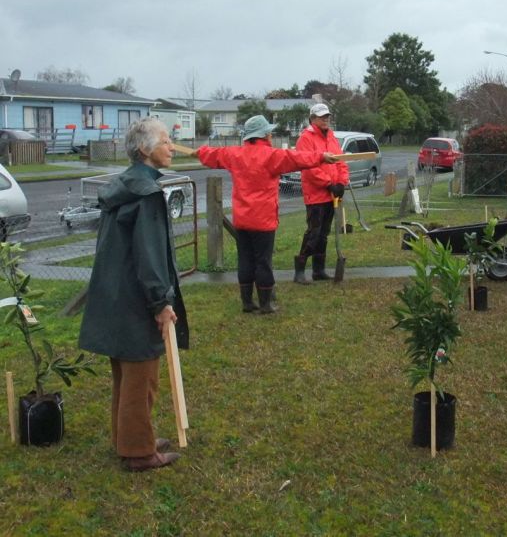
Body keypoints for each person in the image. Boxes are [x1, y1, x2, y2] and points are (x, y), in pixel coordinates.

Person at [79, 118, 189, 472]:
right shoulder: (146, 194)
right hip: (135, 297)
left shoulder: (125, 185)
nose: (171, 147)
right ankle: (139, 451)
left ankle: (128, 437)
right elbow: (149, 254)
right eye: (165, 141)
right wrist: (160, 302)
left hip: (116, 294)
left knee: (127, 375)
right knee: (141, 376)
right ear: (144, 149)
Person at [193, 115, 338, 312]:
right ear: (263, 135)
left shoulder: (234, 154)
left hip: (242, 219)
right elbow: (297, 158)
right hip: (263, 220)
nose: (271, 135)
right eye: (269, 132)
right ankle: (265, 304)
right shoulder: (271, 156)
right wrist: (321, 157)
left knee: (245, 259)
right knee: (263, 261)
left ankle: (247, 302)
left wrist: (199, 152)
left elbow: (213, 154)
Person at [293, 103, 349, 284]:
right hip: (315, 194)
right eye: (321, 116)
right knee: (313, 233)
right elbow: (308, 167)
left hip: (332, 194)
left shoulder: (332, 137)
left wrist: (341, 183)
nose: (325, 119)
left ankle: (318, 270)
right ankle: (300, 270)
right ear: (312, 119)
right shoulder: (305, 138)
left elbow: (341, 162)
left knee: (324, 233)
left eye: (327, 116)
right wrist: (329, 183)